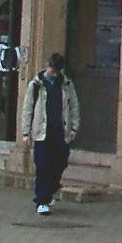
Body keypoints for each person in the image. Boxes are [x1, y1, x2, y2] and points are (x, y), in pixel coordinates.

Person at [21, 52, 80, 216]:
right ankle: (42, 200)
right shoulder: (36, 85)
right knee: (43, 166)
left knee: (60, 163)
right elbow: (27, 109)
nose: (53, 74)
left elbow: (74, 106)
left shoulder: (66, 84)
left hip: (60, 131)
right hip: (41, 132)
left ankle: (50, 189)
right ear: (48, 66)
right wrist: (26, 133)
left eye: (56, 71)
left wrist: (74, 127)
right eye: (52, 70)